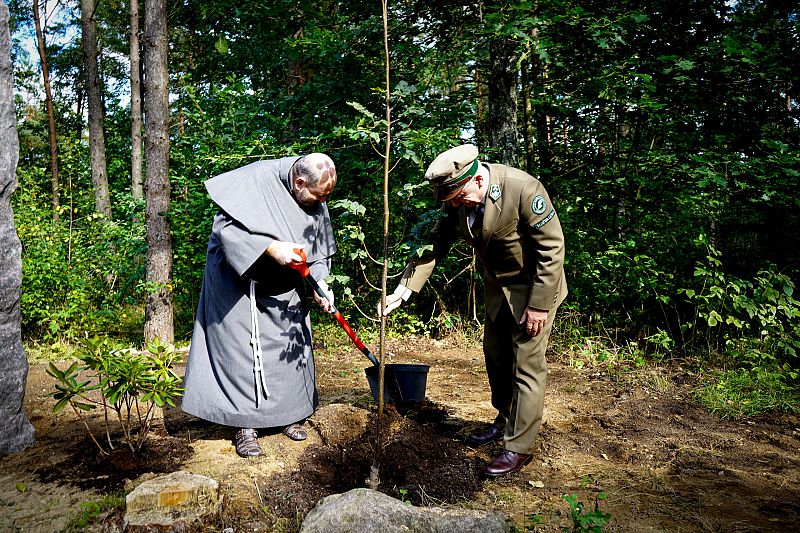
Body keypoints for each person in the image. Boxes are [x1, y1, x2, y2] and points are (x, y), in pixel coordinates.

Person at [380, 144, 566, 477]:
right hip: (497, 290)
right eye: (449, 199)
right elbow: (434, 245)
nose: (453, 205)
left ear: (477, 179)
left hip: (534, 289)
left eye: (457, 196)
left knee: (526, 365)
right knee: (496, 357)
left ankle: (518, 448)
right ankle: (505, 418)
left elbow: (552, 250)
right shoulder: (457, 201)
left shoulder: (523, 189)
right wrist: (404, 289)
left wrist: (538, 306)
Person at [182, 153, 338, 458]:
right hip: (238, 283)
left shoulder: (316, 198)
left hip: (286, 283)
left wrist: (321, 287)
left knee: (288, 349)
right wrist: (271, 247)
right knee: (241, 352)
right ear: (299, 182)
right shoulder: (254, 180)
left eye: (324, 198)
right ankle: (245, 425)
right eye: (316, 196)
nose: (320, 203)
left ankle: (287, 414)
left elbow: (317, 252)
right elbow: (226, 232)